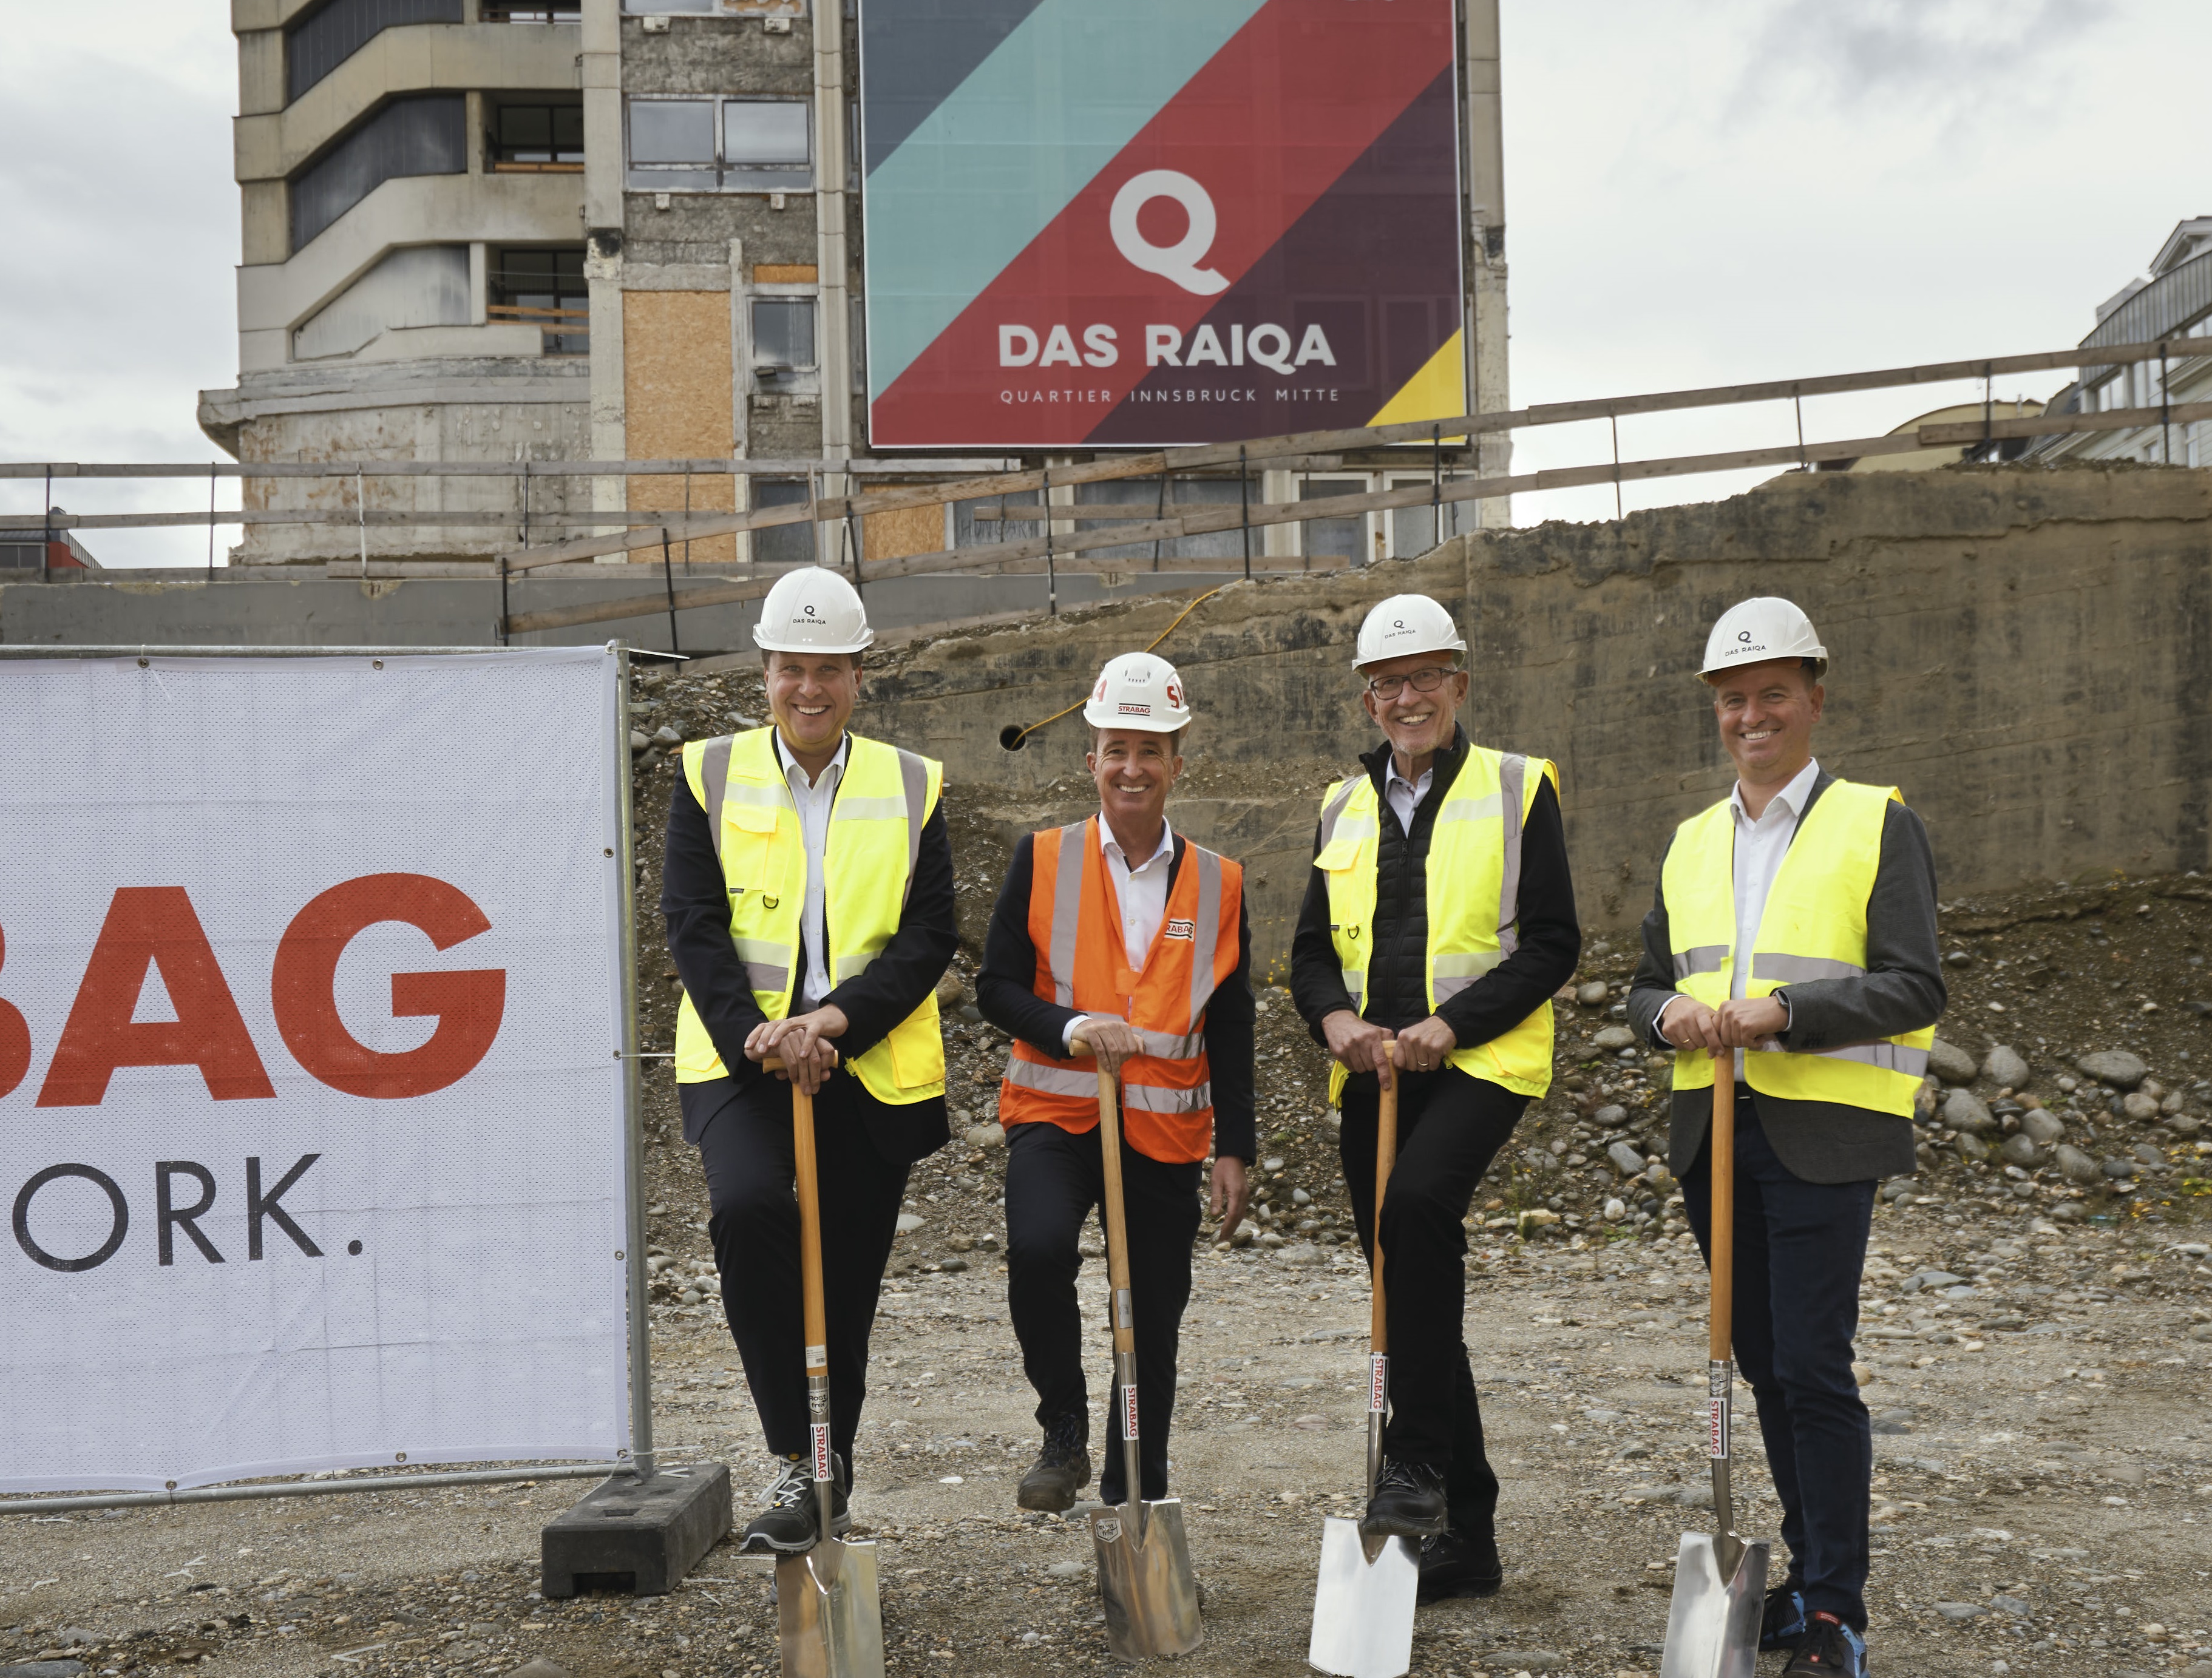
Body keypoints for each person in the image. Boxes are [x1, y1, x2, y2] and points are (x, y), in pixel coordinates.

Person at [1629, 597, 1941, 1678]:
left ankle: (1835, 1611)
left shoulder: (1874, 821)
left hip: (1825, 1133)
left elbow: (1913, 982)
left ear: (1814, 694)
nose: (1750, 715)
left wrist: (1785, 1014)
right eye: (1732, 699)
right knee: (1759, 1362)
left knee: (1811, 1363)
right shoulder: (1687, 842)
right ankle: (1803, 1576)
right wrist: (1666, 1013)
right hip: (1711, 1131)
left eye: (1771, 694)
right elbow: (1642, 984)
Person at [1289, 590, 1579, 1603]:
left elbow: (1552, 941)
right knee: (1409, 1284)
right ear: (1368, 700)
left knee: (1415, 1211)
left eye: (1423, 678)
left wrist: (1451, 1025)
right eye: (1387, 684)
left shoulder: (1514, 785)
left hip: (1478, 1062)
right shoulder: (1341, 804)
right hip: (1369, 1071)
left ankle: (1409, 1469)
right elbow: (1310, 954)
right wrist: (1335, 1023)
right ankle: (1471, 1533)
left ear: (1458, 681)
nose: (1406, 697)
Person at [665, 565, 958, 1555]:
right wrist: (759, 1030)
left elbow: (928, 936)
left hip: (862, 1063)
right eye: (791, 668)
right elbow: (691, 922)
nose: (808, 689)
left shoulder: (911, 783)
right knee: (748, 1209)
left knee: (843, 1279)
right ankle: (795, 1452)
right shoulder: (707, 771)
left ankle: (827, 1470)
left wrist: (832, 1024)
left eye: (827, 669)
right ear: (765, 671)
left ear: (858, 674)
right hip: (739, 1059)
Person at [976, 650, 1255, 1515]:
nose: (1130, 767)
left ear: (1177, 761)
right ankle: (1062, 1426)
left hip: (1163, 1133)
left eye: (1149, 749)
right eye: (1114, 749)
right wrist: (1067, 1025)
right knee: (1038, 1249)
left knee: (1152, 1309)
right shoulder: (1042, 857)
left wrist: (1235, 1147)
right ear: (1088, 759)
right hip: (1055, 1113)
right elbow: (994, 985)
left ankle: (1138, 1480)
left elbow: (1231, 1021)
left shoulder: (1219, 881)